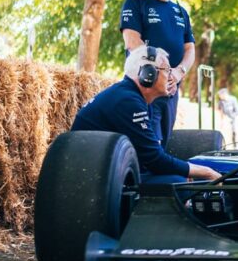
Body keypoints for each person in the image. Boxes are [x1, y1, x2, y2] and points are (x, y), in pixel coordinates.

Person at [71, 45, 220, 184]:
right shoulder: (128, 101)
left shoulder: (132, 96)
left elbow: (147, 158)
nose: (171, 76)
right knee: (178, 183)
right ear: (148, 74)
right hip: (92, 181)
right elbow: (155, 160)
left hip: (103, 171)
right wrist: (205, 172)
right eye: (167, 70)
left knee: (177, 177)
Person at [120, 0, 195, 147]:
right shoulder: (135, 3)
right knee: (145, 141)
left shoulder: (181, 12)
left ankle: (161, 176)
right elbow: (131, 41)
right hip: (145, 84)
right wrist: (161, 70)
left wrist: (179, 72)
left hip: (172, 86)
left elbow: (190, 49)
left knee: (165, 141)